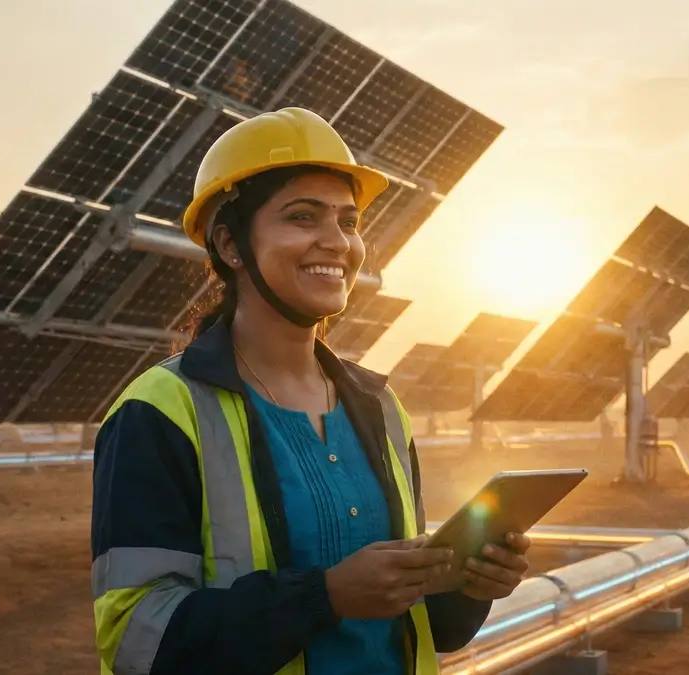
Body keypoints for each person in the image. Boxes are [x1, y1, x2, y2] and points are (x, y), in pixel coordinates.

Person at [90, 107, 532, 675]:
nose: (337, 243)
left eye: (348, 222)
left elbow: (431, 626)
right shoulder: (161, 413)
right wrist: (325, 597)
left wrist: (473, 583)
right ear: (230, 245)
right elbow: (136, 640)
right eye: (302, 217)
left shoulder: (379, 407)